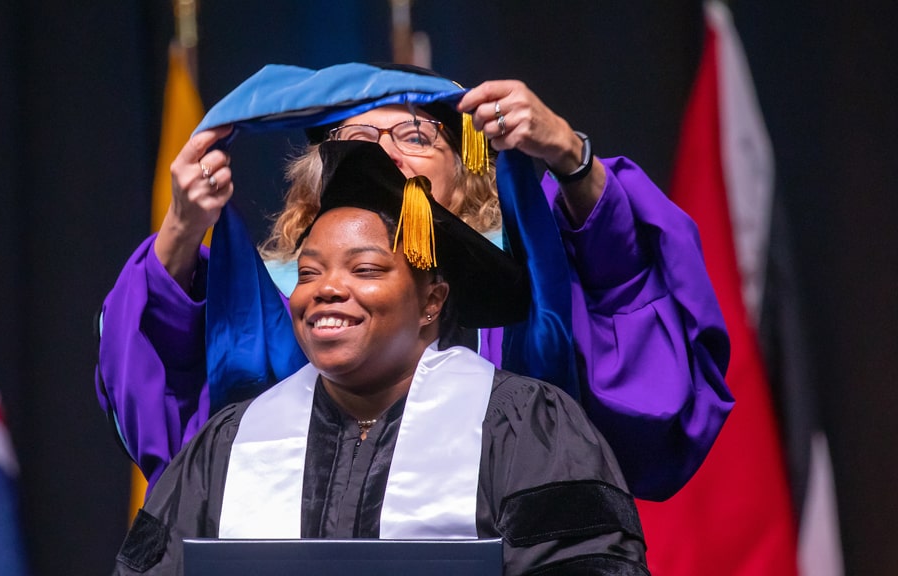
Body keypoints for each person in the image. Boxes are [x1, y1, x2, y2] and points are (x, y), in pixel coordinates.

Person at [96, 63, 733, 501]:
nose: (383, 155)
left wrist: (570, 155)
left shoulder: (532, 306)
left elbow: (641, 338)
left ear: (467, 176)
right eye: (357, 140)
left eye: (412, 135)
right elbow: (163, 414)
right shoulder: (271, 314)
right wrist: (182, 228)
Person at [112, 140, 649, 576]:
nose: (326, 290)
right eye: (309, 273)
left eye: (365, 270)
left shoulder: (523, 426)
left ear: (432, 301)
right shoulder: (231, 441)